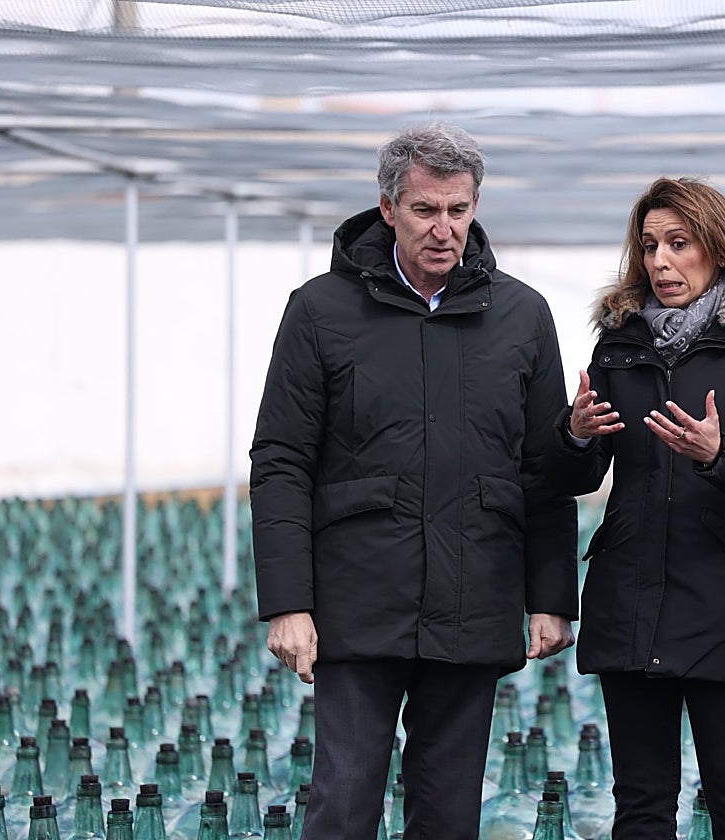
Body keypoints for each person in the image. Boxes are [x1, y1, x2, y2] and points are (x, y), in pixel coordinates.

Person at [248, 121, 579, 840]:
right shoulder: (320, 311)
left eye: (459, 210)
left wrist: (550, 595)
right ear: (388, 206)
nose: (444, 229)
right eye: (426, 210)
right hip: (358, 602)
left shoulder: (521, 315)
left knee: (449, 811)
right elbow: (280, 461)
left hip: (475, 598)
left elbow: (541, 469)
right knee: (343, 800)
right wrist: (287, 604)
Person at [546, 177, 725, 839]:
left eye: (679, 243)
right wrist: (575, 434)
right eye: (649, 246)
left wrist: (719, 454)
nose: (660, 262)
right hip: (630, 600)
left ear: (721, 251)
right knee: (640, 807)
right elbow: (579, 477)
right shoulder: (621, 344)